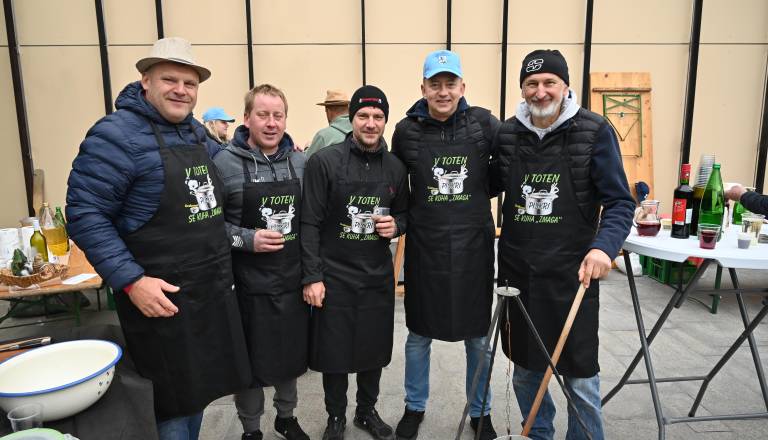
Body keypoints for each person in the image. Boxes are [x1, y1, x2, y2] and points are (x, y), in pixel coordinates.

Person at [66, 37, 251, 439]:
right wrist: (131, 281)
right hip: (157, 296)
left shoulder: (195, 134)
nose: (181, 90)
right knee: (169, 403)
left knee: (199, 392)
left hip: (208, 292)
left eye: (190, 82)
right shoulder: (115, 136)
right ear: (145, 81)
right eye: (170, 79)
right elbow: (84, 214)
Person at [491, 49, 635, 440]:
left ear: (565, 86)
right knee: (524, 370)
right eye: (531, 84)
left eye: (549, 83)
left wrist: (604, 248)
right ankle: (538, 433)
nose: (540, 92)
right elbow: (476, 188)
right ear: (522, 89)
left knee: (580, 378)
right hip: (518, 276)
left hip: (573, 277)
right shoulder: (506, 134)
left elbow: (621, 202)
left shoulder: (594, 130)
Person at [390, 49, 500, 440]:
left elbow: (503, 174)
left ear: (462, 87)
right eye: (434, 84)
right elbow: (397, 188)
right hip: (426, 247)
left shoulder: (485, 124)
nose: (442, 91)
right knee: (419, 333)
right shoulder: (405, 131)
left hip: (473, 246)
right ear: (422, 87)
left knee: (478, 335)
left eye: (449, 84)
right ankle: (414, 406)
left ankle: (481, 411)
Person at [301, 85, 408, 440]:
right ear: (351, 119)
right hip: (334, 275)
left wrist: (397, 225)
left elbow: (405, 213)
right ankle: (335, 417)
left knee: (373, 350)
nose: (371, 123)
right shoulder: (325, 162)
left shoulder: (395, 167)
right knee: (334, 353)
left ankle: (366, 411)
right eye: (364, 115)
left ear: (385, 121)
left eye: (378, 117)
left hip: (376, 275)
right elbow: (310, 223)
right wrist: (312, 276)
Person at [213, 84, 309, 440]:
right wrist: (247, 239)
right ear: (246, 118)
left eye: (278, 115)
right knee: (249, 364)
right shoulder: (224, 163)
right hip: (246, 285)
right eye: (263, 115)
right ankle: (251, 429)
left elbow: (311, 219)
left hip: (290, 279)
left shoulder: (300, 160)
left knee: (289, 356)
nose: (271, 123)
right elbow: (209, 227)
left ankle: (287, 417)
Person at [305, 89, 352, 157]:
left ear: (328, 111)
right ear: (348, 108)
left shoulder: (323, 136)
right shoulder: (360, 131)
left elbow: (307, 161)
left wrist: (307, 148)